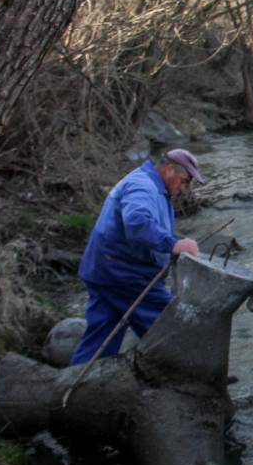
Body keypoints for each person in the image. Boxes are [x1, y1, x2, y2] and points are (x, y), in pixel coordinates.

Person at [69, 149, 204, 365]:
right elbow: (136, 223)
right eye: (184, 181)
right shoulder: (144, 186)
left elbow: (149, 227)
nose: (183, 189)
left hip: (104, 271)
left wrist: (175, 244)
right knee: (170, 325)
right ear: (169, 170)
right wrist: (173, 244)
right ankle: (192, 376)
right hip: (125, 277)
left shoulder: (150, 184)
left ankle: (76, 382)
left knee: (100, 338)